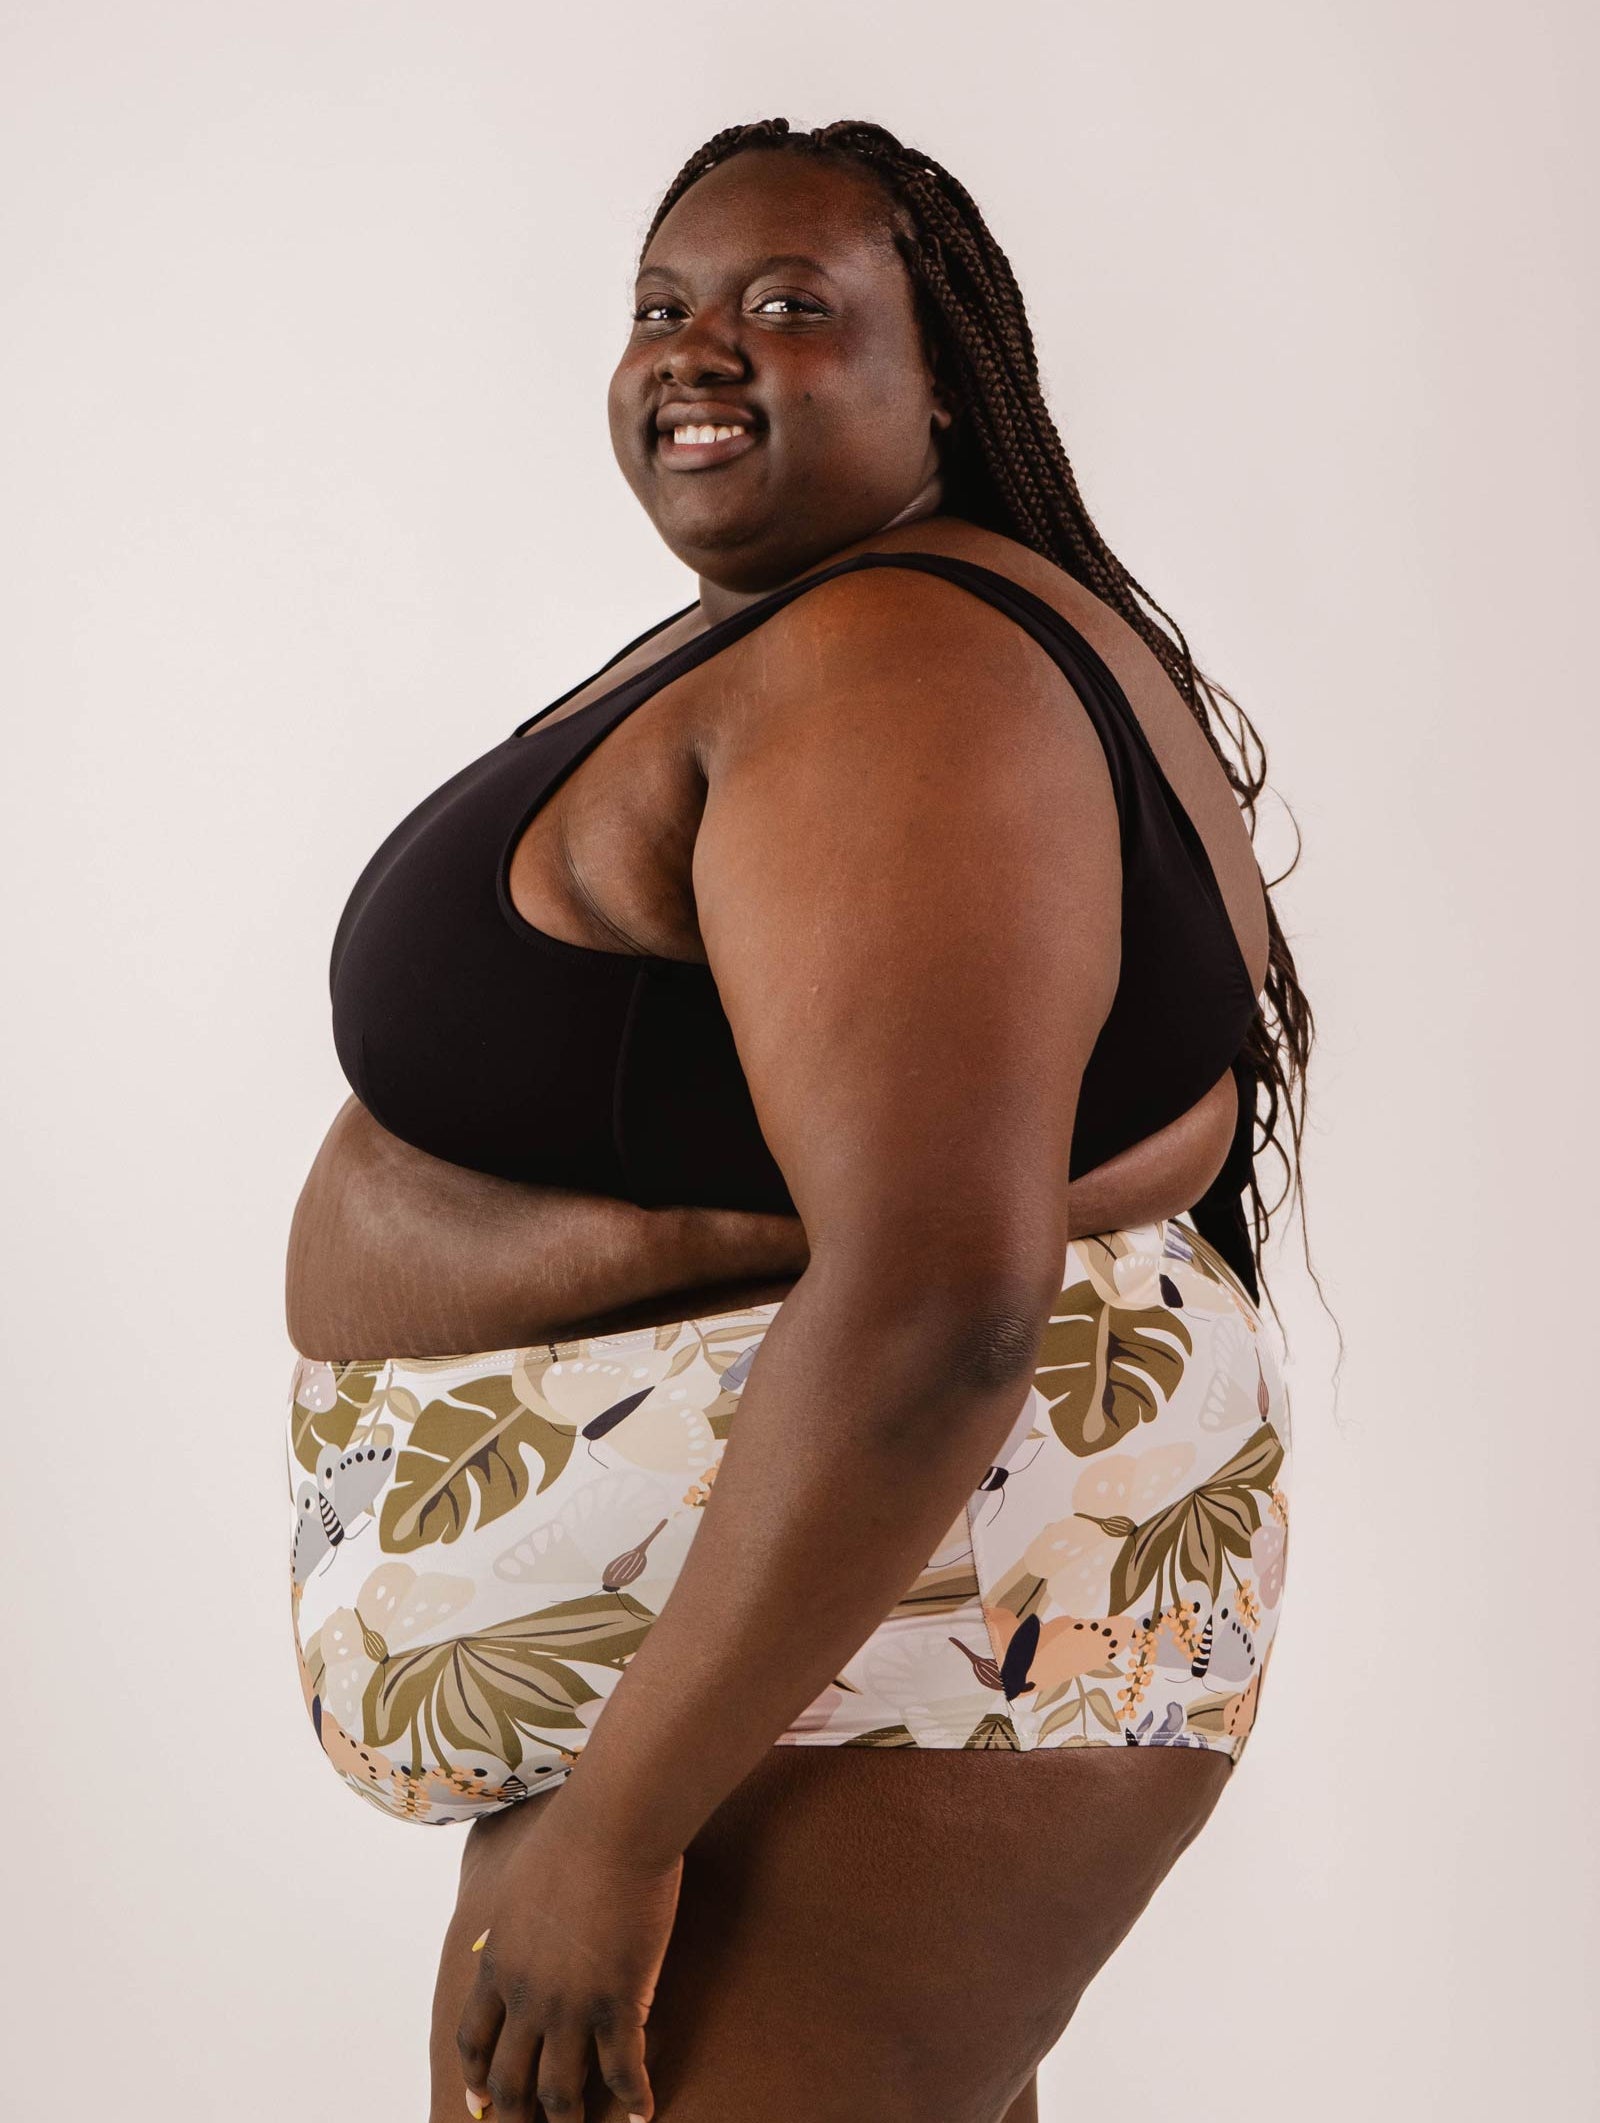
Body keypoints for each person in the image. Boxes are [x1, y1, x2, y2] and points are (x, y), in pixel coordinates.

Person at [284, 116, 1312, 2123]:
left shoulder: (901, 670)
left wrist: (616, 1833)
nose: (694, 349)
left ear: (944, 379)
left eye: (787, 308)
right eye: (661, 306)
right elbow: (965, 1178)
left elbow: (939, 1294)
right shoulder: (863, 633)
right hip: (810, 1662)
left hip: (873, 1663)